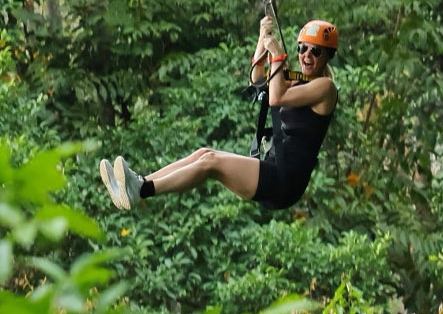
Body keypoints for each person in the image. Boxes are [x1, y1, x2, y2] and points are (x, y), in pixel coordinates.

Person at [99, 16, 339, 211]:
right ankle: (139, 183)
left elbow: (277, 98)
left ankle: (140, 191)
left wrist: (277, 55)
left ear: (327, 56)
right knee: (204, 153)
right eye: (303, 48)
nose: (307, 55)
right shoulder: (296, 82)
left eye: (316, 51)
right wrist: (261, 40)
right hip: (273, 169)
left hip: (284, 181)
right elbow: (257, 80)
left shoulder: (325, 87)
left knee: (210, 163)